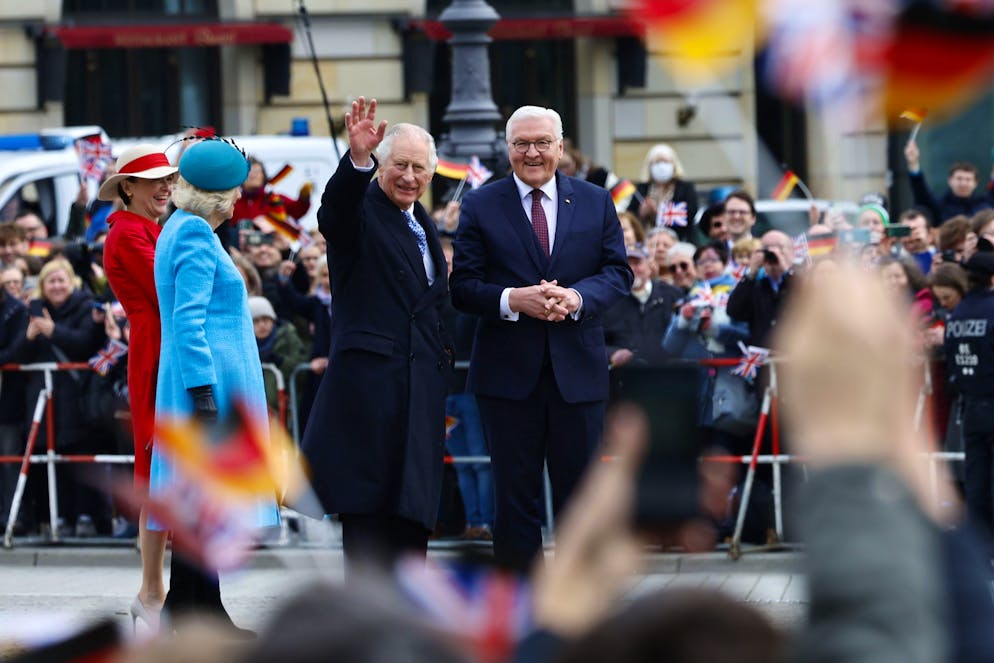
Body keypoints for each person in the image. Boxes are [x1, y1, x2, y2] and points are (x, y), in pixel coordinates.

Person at [450, 104, 632, 570]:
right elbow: (463, 286)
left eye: (542, 143)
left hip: (578, 373)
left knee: (583, 501)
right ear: (508, 148)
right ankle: (521, 601)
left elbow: (617, 273)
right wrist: (514, 299)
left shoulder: (594, 201)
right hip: (507, 377)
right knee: (513, 502)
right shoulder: (480, 204)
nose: (532, 153)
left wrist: (576, 297)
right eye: (521, 144)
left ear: (560, 146)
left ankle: (582, 599)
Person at [299, 97, 454, 572]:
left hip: (418, 393)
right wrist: (357, 160)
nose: (409, 176)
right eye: (399, 165)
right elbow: (334, 215)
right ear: (381, 166)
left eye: (419, 168)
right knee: (368, 521)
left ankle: (409, 613)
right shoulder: (362, 209)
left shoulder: (423, 223)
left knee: (411, 522)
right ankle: (366, 616)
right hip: (370, 394)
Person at [152, 137, 279, 632]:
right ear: (220, 196)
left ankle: (196, 609)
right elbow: (189, 320)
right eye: (236, 191)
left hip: (203, 385)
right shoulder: (194, 235)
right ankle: (195, 614)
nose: (240, 199)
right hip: (208, 389)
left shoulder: (182, 227)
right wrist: (203, 391)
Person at [98, 143, 178, 633]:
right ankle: (151, 590)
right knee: (158, 472)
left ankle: (154, 591)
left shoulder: (145, 228)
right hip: (155, 351)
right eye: (155, 181)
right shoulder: (128, 233)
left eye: (169, 179)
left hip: (161, 345)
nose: (166, 187)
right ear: (128, 187)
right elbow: (166, 289)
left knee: (165, 472)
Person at [943, 251, 994, 539]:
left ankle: (981, 545)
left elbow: (951, 361)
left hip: (970, 407)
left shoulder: (958, 314)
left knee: (976, 480)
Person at [905, 140, 991, 224]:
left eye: (968, 179)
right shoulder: (939, 206)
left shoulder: (984, 207)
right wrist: (913, 163)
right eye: (959, 178)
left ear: (975, 183)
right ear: (950, 180)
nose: (963, 184)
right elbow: (921, 193)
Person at [627, 143, 698, 242]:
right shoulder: (642, 188)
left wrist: (658, 213)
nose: (661, 165)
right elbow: (629, 216)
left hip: (679, 241)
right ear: (650, 166)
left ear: (674, 164)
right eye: (657, 162)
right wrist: (641, 213)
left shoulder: (685, 187)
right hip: (647, 242)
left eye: (665, 161)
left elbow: (690, 213)